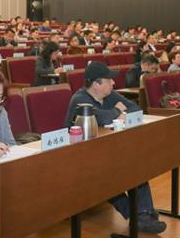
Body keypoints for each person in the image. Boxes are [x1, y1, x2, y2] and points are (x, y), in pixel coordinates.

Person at [64, 62, 166, 234]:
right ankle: (139, 215)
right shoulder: (79, 99)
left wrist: (115, 112)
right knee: (110, 178)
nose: (113, 83)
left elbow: (135, 108)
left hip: (107, 149)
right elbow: (99, 118)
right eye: (108, 80)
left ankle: (144, 213)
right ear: (96, 84)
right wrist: (117, 112)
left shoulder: (109, 95)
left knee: (137, 165)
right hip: (81, 158)